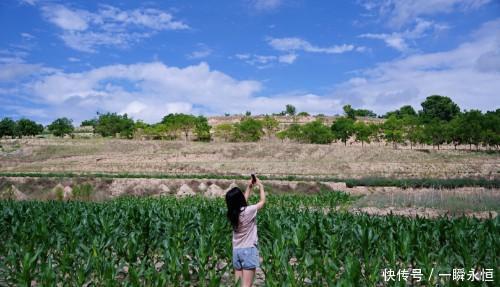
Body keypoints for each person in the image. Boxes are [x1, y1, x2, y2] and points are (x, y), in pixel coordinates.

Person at [225, 175, 266, 287]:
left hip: (236, 251)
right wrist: (261, 187)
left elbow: (242, 202)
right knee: (247, 285)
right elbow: (262, 202)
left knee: (239, 285)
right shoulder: (249, 211)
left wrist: (249, 187)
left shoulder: (231, 214)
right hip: (248, 250)